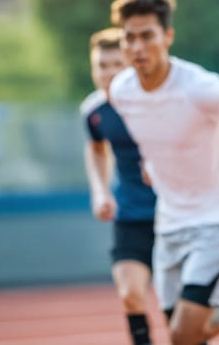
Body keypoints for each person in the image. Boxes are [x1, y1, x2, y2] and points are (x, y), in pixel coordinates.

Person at [107, 0, 219, 345]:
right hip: (170, 220)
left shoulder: (198, 88)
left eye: (147, 36)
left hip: (218, 217)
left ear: (167, 36)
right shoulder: (122, 91)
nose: (137, 47)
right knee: (189, 335)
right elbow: (153, 132)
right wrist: (153, 165)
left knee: (182, 335)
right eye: (129, 38)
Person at [81, 27, 159, 345]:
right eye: (102, 65)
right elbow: (97, 148)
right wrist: (100, 191)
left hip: (176, 211)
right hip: (131, 213)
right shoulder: (94, 112)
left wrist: (162, 164)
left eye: (116, 64)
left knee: (182, 311)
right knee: (130, 294)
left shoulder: (156, 101)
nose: (109, 72)